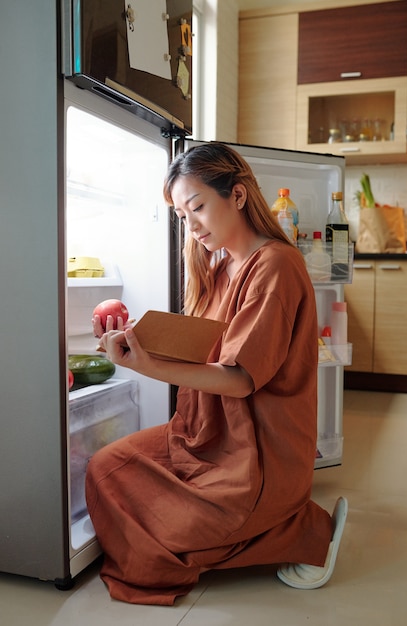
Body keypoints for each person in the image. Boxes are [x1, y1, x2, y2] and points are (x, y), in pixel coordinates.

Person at [87, 142, 348, 605]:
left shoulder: (276, 266)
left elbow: (239, 378)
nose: (192, 226)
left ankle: (301, 529)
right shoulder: (218, 263)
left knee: (170, 528)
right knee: (105, 470)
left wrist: (147, 366)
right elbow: (200, 349)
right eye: (183, 217)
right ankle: (266, 528)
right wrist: (137, 343)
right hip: (204, 433)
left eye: (198, 208)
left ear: (239, 196)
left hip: (257, 454)